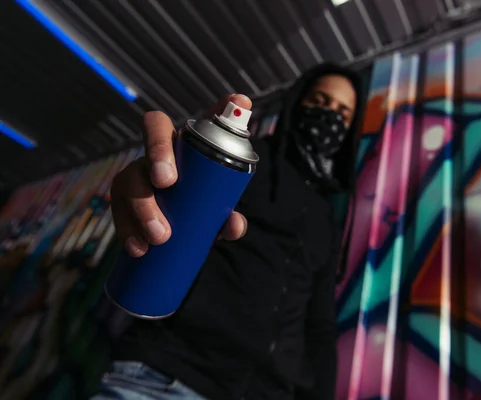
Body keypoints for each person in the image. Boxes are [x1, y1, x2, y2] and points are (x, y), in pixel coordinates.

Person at [94, 63, 365, 400]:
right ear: (297, 103)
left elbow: (319, 320)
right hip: (169, 375)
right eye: (320, 101)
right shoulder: (249, 164)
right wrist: (171, 176)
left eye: (343, 112)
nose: (330, 116)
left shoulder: (327, 215)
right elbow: (175, 221)